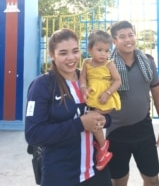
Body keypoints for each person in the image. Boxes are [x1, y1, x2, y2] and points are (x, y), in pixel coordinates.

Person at [25, 28, 112, 186]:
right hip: (60, 175)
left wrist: (102, 121)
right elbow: (33, 134)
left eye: (75, 51)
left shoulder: (88, 79)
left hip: (96, 172)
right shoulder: (42, 84)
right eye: (63, 53)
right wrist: (81, 124)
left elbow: (108, 115)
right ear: (52, 54)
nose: (71, 58)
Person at [106, 20, 159, 186]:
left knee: (152, 179)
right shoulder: (106, 66)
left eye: (131, 35)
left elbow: (157, 94)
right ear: (114, 41)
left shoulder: (147, 62)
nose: (128, 40)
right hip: (116, 132)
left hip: (143, 129)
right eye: (122, 37)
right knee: (118, 180)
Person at [79, 30, 121, 171]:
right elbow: (83, 78)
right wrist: (84, 88)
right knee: (91, 121)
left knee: (94, 119)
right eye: (99, 50)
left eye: (107, 51)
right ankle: (98, 148)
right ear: (89, 49)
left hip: (105, 98)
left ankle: (103, 148)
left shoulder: (109, 64)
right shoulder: (86, 62)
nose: (104, 54)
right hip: (92, 97)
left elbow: (117, 80)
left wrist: (108, 93)